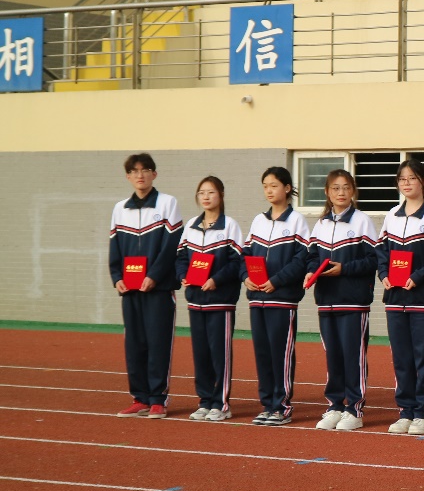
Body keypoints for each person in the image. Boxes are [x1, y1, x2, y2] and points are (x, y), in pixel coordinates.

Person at [377, 159, 424, 437]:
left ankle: (423, 414)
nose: (406, 183)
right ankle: (405, 411)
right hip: (395, 298)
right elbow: (381, 250)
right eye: (402, 179)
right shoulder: (391, 215)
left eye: (412, 178)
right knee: (401, 358)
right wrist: (384, 274)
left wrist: (418, 276)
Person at [109, 154, 183, 418]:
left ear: (154, 174)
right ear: (128, 176)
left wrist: (154, 276)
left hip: (158, 289)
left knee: (158, 342)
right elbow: (115, 246)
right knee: (135, 344)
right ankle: (139, 397)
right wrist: (116, 276)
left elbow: (171, 245)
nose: (140, 175)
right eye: (134, 171)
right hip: (130, 289)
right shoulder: (120, 208)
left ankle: (158, 399)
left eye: (145, 170)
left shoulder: (167, 203)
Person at [305, 170, 379, 431]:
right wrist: (311, 271)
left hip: (353, 301)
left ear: (353, 191)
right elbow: (312, 256)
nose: (341, 193)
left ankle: (354, 409)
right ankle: (335, 406)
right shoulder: (321, 224)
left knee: (353, 356)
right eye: (335, 188)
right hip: (326, 300)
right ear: (327, 192)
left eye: (346, 187)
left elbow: (373, 259)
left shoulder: (362, 221)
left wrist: (344, 269)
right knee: (333, 357)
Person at [241, 166, 310, 426]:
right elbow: (245, 255)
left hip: (282, 298)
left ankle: (281, 406)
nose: (269, 191)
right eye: (265, 186)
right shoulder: (258, 221)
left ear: (287, 188)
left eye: (274, 185)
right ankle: (267, 404)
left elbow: (301, 260)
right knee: (262, 353)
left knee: (280, 353)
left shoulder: (297, 221)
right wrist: (245, 277)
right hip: (257, 298)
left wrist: (276, 281)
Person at [176, 176, 244, 422]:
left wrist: (216, 279)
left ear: (221, 195)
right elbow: (181, 257)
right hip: (195, 300)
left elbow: (237, 262)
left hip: (220, 301)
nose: (206, 197)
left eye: (211, 192)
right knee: (201, 354)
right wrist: (183, 275)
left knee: (219, 354)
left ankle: (221, 403)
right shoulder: (191, 226)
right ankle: (205, 401)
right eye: (201, 192)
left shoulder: (230, 226)